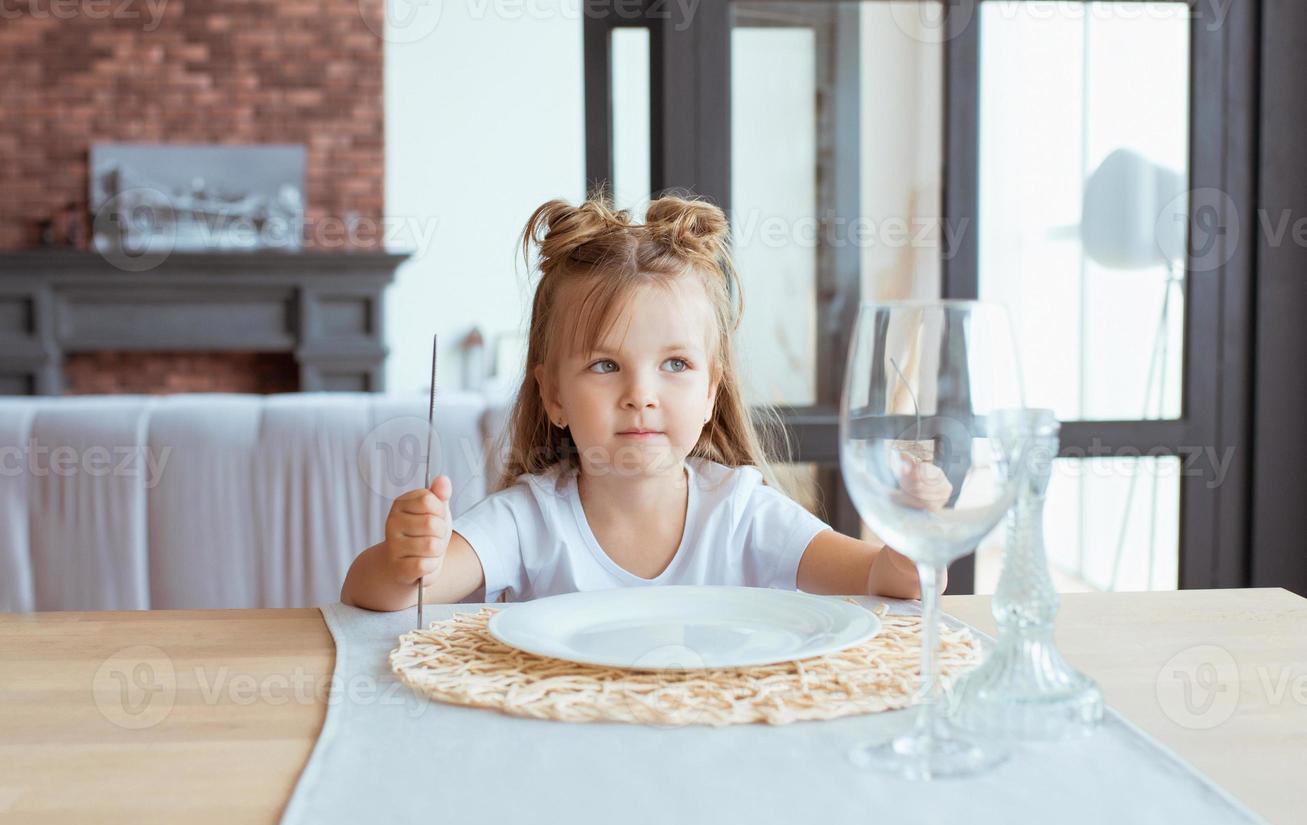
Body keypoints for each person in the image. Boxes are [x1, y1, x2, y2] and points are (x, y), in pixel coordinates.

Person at [341, 194, 947, 611]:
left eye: (676, 366)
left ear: (712, 393)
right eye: (605, 366)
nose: (640, 396)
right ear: (553, 394)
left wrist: (913, 538)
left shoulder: (739, 514)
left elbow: (883, 580)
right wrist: (404, 562)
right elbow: (381, 594)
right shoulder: (530, 520)